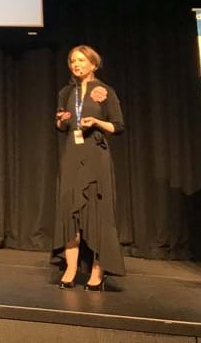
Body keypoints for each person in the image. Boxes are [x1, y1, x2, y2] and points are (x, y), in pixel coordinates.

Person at [52, 45, 125, 290]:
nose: (76, 64)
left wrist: (96, 122)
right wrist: (61, 120)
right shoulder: (66, 92)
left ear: (93, 64)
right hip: (72, 156)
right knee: (69, 212)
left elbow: (118, 126)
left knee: (98, 212)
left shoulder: (104, 91)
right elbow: (62, 127)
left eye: (81, 60)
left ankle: (98, 270)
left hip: (96, 156)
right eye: (73, 61)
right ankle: (71, 268)